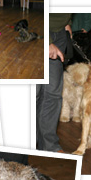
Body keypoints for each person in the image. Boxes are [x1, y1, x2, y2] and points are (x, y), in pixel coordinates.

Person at [36, 13, 73, 152]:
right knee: (35, 93)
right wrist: (47, 40)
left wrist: (67, 21)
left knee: (53, 93)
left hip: (60, 33)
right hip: (41, 30)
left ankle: (49, 145)